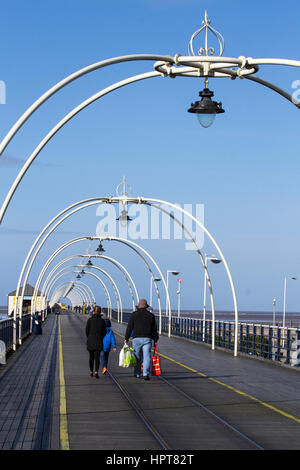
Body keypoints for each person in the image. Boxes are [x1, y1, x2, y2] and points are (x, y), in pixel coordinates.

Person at [124, 299, 159, 380]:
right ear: (146, 307)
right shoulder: (151, 316)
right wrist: (155, 339)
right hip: (147, 338)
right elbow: (154, 329)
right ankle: (145, 374)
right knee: (147, 356)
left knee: (137, 356)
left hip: (136, 339)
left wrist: (126, 338)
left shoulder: (134, 315)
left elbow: (129, 327)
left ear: (138, 306)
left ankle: (137, 373)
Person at [85, 305, 107, 378]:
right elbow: (104, 332)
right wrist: (101, 337)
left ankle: (91, 371)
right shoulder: (102, 321)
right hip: (98, 341)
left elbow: (87, 331)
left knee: (91, 357)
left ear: (94, 311)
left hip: (91, 341)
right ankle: (96, 371)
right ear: (100, 312)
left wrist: (89, 337)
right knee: (97, 358)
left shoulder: (90, 320)